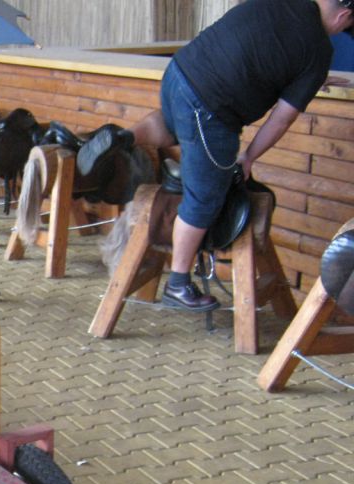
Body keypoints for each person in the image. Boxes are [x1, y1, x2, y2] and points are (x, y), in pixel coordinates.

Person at [77, 0, 353, 311]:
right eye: (347, 26)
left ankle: (124, 137)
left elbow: (260, 49)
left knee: (172, 124)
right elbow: (282, 119)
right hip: (213, 110)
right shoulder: (318, 51)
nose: (342, 31)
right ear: (344, 15)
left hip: (181, 73)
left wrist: (311, 80)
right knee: (205, 199)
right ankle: (178, 284)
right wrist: (249, 156)